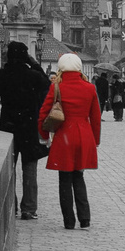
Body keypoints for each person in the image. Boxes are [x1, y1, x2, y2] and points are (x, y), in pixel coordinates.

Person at [38, 53, 101, 229]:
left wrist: (43, 136)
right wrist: (95, 140)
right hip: (83, 135)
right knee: (79, 177)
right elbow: (95, 117)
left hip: (64, 136)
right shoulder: (89, 88)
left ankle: (69, 220)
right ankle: (85, 218)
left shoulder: (56, 87)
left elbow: (43, 114)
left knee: (64, 179)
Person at [0, 41, 50, 220]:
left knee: (10, 168)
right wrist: (33, 63)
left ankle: (12, 205)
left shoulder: (0, 76)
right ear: (25, 56)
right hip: (28, 126)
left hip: (8, 125)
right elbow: (46, 84)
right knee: (29, 168)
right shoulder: (32, 76)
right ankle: (29, 208)